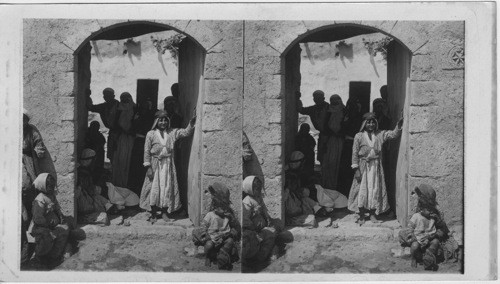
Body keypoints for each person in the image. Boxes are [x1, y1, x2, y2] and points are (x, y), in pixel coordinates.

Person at [139, 110, 196, 222]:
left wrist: (191, 123)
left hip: (168, 164)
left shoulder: (172, 132)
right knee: (154, 188)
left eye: (165, 120)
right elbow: (146, 151)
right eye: (161, 120)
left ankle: (165, 212)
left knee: (166, 187)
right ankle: (154, 213)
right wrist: (148, 167)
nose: (163, 122)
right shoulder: (150, 134)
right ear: (156, 121)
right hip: (155, 164)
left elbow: (185, 133)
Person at [347, 112, 404, 224]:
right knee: (362, 190)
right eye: (368, 122)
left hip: (376, 167)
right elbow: (354, 154)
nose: (371, 124)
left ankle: (373, 214)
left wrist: (398, 125)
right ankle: (362, 215)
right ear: (364, 123)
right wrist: (356, 169)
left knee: (374, 189)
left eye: (373, 122)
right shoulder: (358, 136)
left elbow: (392, 134)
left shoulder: (379, 134)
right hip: (363, 166)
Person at [22, 109, 54, 264]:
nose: (21, 122)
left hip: (27, 162)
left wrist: (34, 152)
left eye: (24, 119)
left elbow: (39, 148)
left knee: (28, 188)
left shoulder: (31, 131)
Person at [402, 184, 450, 271]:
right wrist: (415, 238)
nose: (430, 211)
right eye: (428, 209)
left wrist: (433, 235)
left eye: (430, 209)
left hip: (431, 237)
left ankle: (428, 257)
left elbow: (441, 229)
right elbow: (411, 228)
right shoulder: (417, 214)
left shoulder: (435, 213)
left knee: (435, 242)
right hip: (418, 238)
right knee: (414, 245)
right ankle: (414, 258)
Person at [27, 173, 70, 266]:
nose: (53, 188)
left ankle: (53, 256)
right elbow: (37, 218)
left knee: (64, 230)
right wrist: (47, 225)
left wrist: (60, 216)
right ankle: (39, 257)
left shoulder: (52, 196)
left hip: (51, 225)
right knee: (48, 236)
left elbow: (57, 207)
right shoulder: (40, 200)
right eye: (50, 187)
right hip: (39, 227)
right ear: (43, 186)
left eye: (53, 186)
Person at [201, 182, 240, 270]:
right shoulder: (211, 213)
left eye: (224, 207)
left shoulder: (228, 213)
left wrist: (231, 218)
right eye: (221, 208)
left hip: (224, 237)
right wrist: (206, 235)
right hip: (212, 237)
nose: (223, 210)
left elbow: (234, 226)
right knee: (209, 245)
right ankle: (207, 257)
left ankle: (222, 254)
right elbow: (204, 224)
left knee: (229, 241)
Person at [242, 176, 277, 265]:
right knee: (263, 238)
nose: (258, 191)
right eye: (256, 189)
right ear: (249, 189)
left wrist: (268, 219)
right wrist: (253, 229)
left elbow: (264, 210)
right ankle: (257, 259)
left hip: (261, 227)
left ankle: (261, 257)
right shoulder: (247, 201)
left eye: (259, 188)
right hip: (253, 230)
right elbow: (245, 219)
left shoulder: (258, 198)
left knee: (272, 233)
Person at [75, 149, 115, 226]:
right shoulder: (83, 172)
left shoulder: (85, 169)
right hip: (85, 199)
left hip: (88, 194)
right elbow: (89, 189)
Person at [128, 98, 156, 195]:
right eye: (142, 107)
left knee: (145, 165)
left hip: (145, 143)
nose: (143, 109)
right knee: (137, 165)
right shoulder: (137, 116)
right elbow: (132, 130)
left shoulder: (150, 118)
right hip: (138, 143)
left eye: (145, 107)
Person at [337, 96, 363, 196]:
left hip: (352, 144)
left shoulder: (356, 118)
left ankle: (350, 192)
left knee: (352, 168)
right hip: (349, 145)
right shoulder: (349, 117)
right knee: (348, 168)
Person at [86, 88, 120, 162]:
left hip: (121, 135)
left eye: (108, 95)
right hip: (112, 134)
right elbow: (91, 107)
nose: (106, 97)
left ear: (113, 96)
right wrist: (87, 96)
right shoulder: (103, 107)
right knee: (112, 154)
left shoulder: (120, 106)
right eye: (105, 96)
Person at [297, 90, 330, 165]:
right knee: (322, 156)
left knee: (329, 157)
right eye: (315, 98)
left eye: (319, 98)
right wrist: (297, 98)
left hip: (331, 137)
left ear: (323, 98)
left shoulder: (329, 108)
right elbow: (301, 110)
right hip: (323, 136)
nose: (317, 100)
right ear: (314, 99)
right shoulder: (313, 109)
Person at [321, 94, 345, 191]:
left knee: (338, 162)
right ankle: (328, 185)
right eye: (332, 100)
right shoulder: (328, 111)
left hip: (340, 140)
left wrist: (339, 133)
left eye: (336, 100)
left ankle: (336, 185)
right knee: (329, 162)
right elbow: (325, 125)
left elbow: (345, 125)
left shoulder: (344, 111)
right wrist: (333, 133)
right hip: (330, 140)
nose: (334, 102)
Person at [112, 92, 136, 187]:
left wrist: (130, 131)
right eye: (123, 99)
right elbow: (116, 124)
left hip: (131, 138)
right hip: (121, 139)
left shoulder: (134, 108)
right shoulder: (118, 110)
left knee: (129, 161)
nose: (125, 101)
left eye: (127, 98)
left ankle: (127, 184)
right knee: (121, 161)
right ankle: (119, 183)